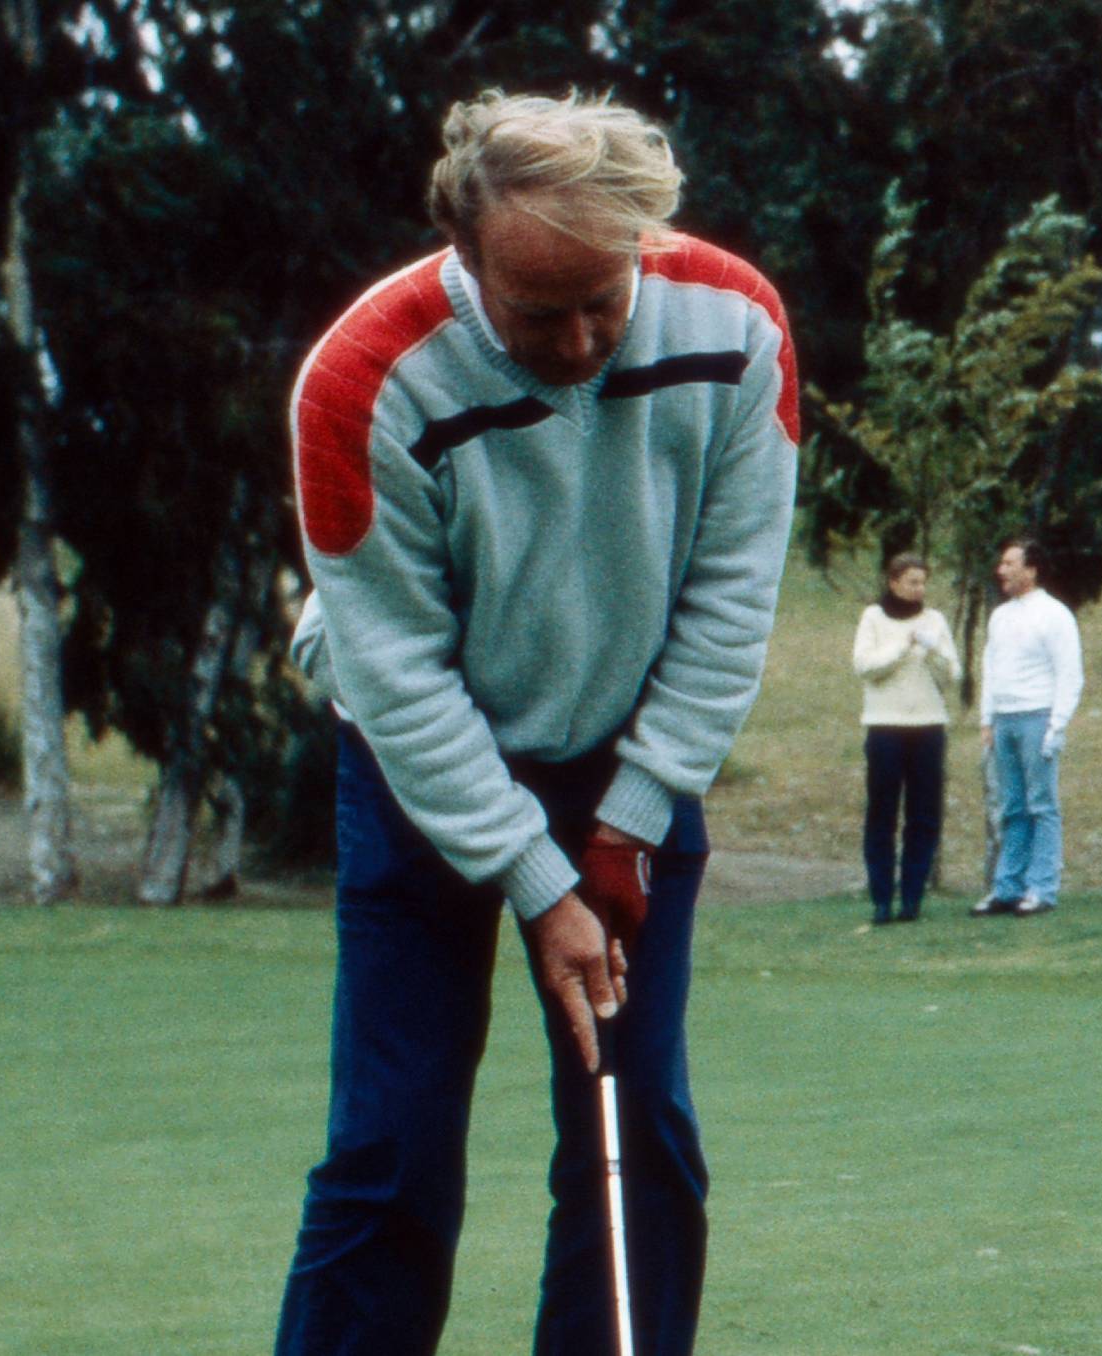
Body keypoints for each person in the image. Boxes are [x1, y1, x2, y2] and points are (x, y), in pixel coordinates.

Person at [273, 89, 799, 1356]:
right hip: (420, 770)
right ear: (463, 252)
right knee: (391, 1146)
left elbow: (729, 606)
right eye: (533, 312)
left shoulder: (737, 325)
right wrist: (529, 873)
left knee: (637, 1126)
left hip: (627, 763)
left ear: (643, 243)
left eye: (600, 304)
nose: (574, 345)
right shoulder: (360, 379)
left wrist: (621, 832)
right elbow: (393, 669)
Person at [975, 538, 1082, 917]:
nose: (1002, 570)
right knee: (1012, 807)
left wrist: (1057, 726)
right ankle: (1007, 887)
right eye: (1002, 563)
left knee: (1042, 805)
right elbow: (991, 668)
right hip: (1004, 719)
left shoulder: (1054, 615)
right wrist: (987, 718)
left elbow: (1070, 674)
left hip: (1037, 717)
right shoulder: (1000, 616)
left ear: (1031, 569)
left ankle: (1042, 888)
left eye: (1010, 563)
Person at [851, 553, 959, 924]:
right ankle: (882, 897)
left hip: (928, 727)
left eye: (923, 582)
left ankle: (912, 897)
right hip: (885, 726)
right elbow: (865, 667)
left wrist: (931, 651)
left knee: (924, 815)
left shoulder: (935, 620)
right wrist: (902, 647)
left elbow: (951, 675)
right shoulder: (873, 618)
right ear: (894, 582)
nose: (919, 589)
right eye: (912, 581)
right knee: (882, 813)